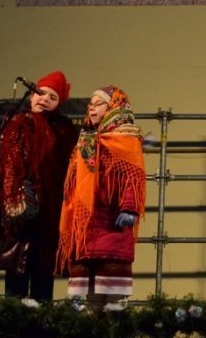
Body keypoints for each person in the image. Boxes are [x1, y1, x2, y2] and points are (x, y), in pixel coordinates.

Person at [0, 71, 77, 303]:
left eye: (52, 97)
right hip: (13, 212)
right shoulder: (11, 124)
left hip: (48, 213)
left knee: (43, 280)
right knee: (15, 279)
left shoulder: (64, 131)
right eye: (40, 93)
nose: (45, 99)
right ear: (31, 95)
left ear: (59, 104)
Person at [55, 85, 146, 310]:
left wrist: (130, 207)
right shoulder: (85, 138)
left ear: (113, 107)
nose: (91, 108)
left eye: (98, 104)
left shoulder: (126, 138)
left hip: (111, 223)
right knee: (87, 299)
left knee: (113, 296)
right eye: (90, 104)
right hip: (84, 225)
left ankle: (114, 325)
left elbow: (133, 178)